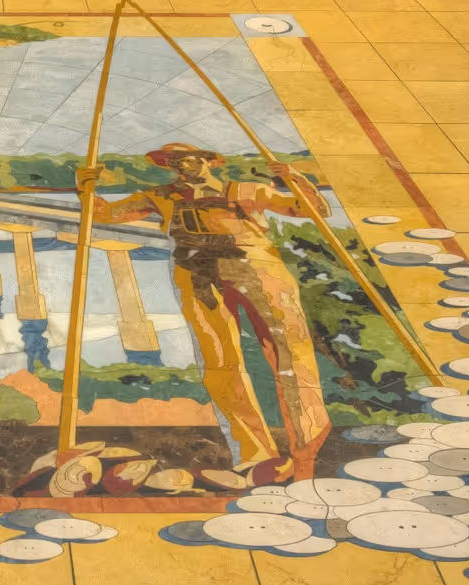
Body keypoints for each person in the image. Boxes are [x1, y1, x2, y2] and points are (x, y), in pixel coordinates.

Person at [89, 143, 332, 482]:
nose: (179, 165)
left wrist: (295, 179)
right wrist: (86, 189)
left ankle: (307, 451)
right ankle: (255, 455)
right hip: (196, 275)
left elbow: (311, 209)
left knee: (291, 357)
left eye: (185, 158)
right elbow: (105, 215)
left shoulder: (246, 190)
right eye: (172, 162)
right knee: (220, 364)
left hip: (258, 269)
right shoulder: (161, 196)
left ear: (206, 161)